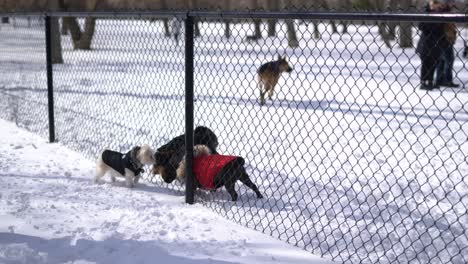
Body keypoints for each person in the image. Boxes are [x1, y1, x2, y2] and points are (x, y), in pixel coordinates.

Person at [416, 1, 446, 90]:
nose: (435, 7)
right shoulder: (426, 13)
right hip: (426, 43)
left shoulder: (440, 14)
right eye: (433, 5)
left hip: (436, 43)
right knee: (425, 63)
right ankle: (424, 82)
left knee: (434, 63)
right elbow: (421, 26)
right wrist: (433, 26)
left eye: (437, 6)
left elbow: (442, 27)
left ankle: (430, 81)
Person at [435, 2, 460, 88]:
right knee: (448, 60)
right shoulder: (444, 11)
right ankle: (446, 80)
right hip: (445, 40)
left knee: (442, 61)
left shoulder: (445, 11)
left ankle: (439, 79)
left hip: (445, 40)